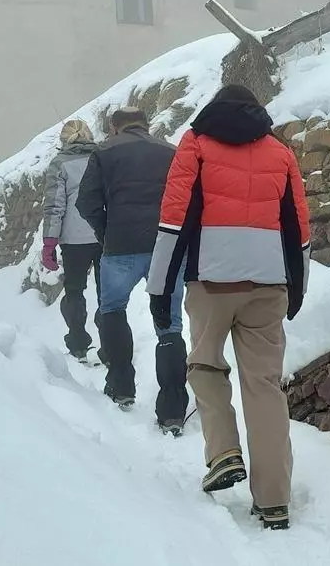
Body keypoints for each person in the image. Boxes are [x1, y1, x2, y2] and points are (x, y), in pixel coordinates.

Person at [146, 85, 311, 531]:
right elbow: (298, 224)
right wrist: (298, 287)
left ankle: (223, 453)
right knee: (265, 387)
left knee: (204, 365)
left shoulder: (196, 145)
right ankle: (274, 500)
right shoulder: (280, 153)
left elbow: (173, 218)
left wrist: (159, 288)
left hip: (212, 281)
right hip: (269, 283)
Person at [76, 107, 188, 434]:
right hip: (164, 246)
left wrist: (105, 231)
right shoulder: (169, 151)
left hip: (120, 245)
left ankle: (121, 385)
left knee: (112, 309)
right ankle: (172, 410)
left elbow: (86, 202)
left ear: (114, 127)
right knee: (169, 325)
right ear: (146, 124)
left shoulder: (104, 151)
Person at [41, 119, 101, 363]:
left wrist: (49, 242)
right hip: (103, 234)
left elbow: (55, 205)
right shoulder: (103, 158)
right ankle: (109, 345)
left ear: (63, 140)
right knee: (108, 294)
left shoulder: (60, 164)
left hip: (73, 240)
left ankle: (78, 343)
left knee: (74, 291)